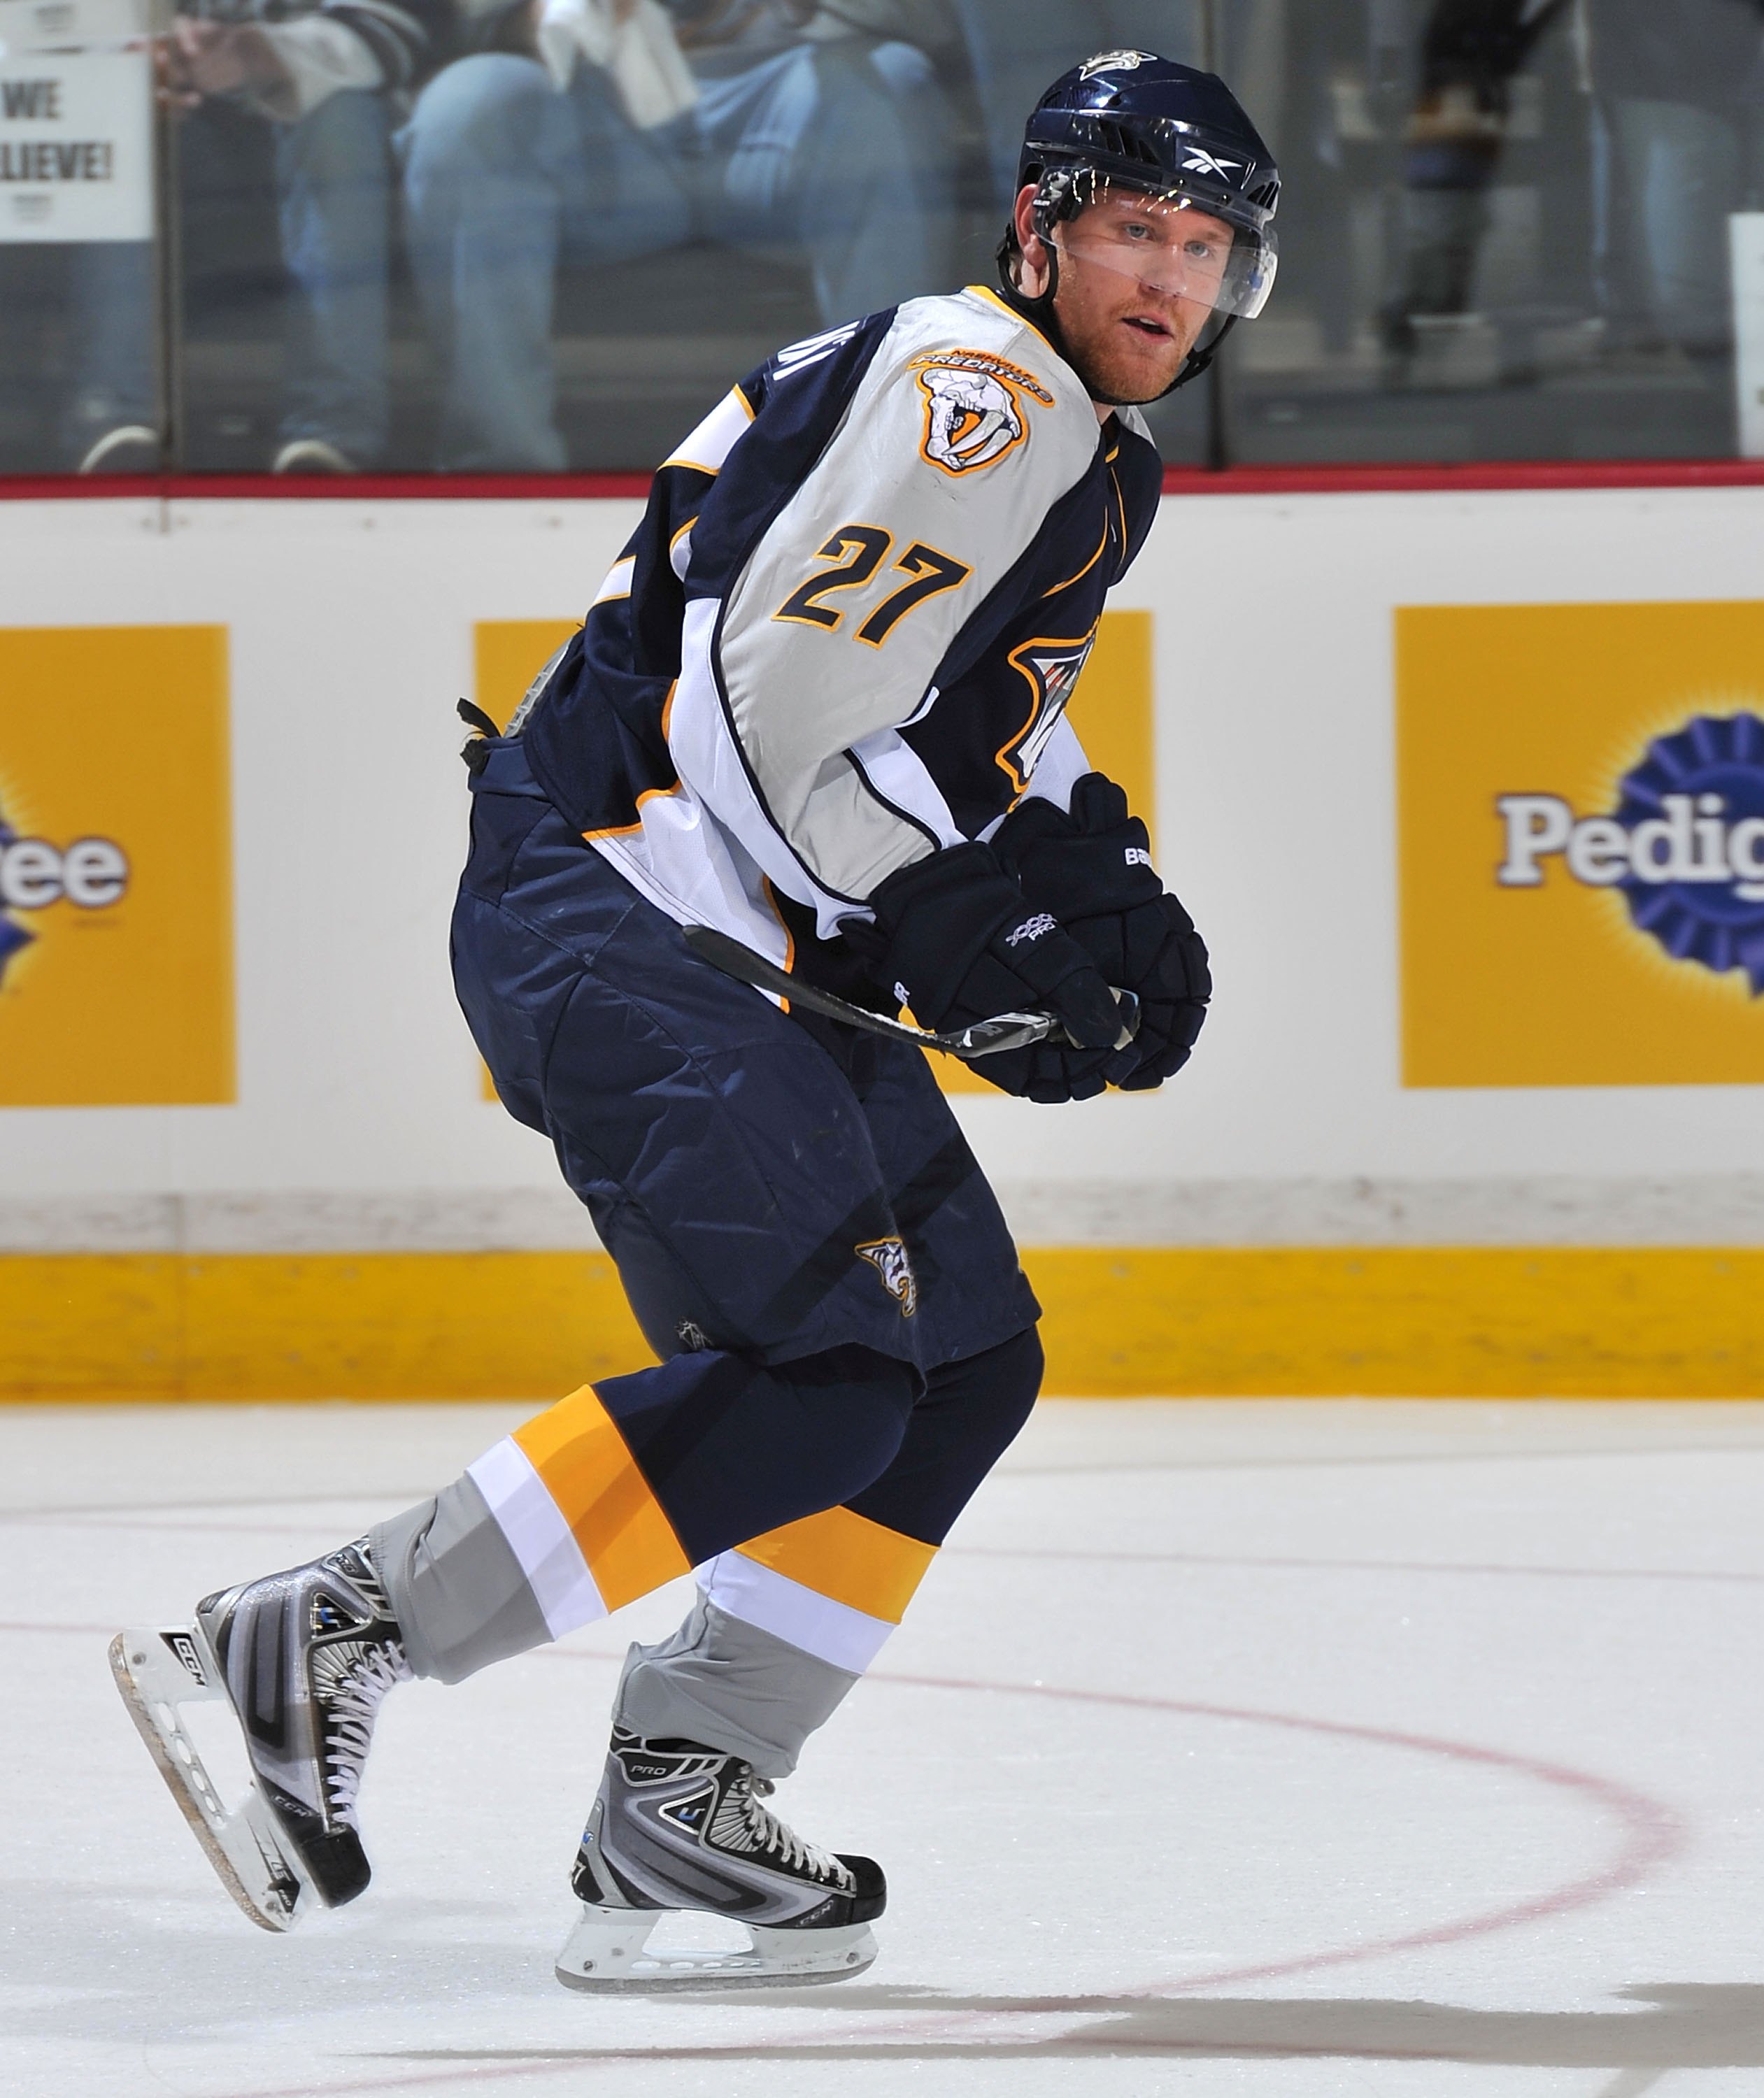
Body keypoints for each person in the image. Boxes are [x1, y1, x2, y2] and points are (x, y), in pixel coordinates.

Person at [111, 50, 1279, 1988]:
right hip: (623, 914)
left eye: (1206, 244)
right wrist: (948, 907)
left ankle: (685, 1796)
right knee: (824, 1375)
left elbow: (955, 691)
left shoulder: (1068, 430)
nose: (1169, 278)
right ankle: (311, 1641)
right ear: (1042, 226)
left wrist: (1083, 858)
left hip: (719, 934)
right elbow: (776, 693)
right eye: (1138, 231)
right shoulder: (974, 396)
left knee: (961, 1362)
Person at [401, 0, 960, 470]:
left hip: (789, 92)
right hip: (593, 102)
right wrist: (546, 13)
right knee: (468, 104)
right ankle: (502, 470)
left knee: (890, 81)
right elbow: (469, 23)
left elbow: (936, 24)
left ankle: (881, 466)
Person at [71, 0, 446, 475]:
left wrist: (266, 53)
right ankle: (116, 423)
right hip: (169, 111)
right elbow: (37, 22)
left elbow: (404, 28)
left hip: (315, 109)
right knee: (118, 108)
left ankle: (332, 437)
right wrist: (129, 51)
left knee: (340, 120)